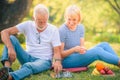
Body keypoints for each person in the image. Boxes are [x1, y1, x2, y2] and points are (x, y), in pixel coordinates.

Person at [0, 4, 62, 80]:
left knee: (29, 66)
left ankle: (10, 76)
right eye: (39, 21)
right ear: (34, 18)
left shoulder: (53, 30)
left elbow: (57, 51)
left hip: (44, 61)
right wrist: (10, 48)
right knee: (11, 38)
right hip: (27, 57)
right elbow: (4, 32)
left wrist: (58, 62)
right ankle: (7, 68)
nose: (42, 23)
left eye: (45, 21)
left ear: (47, 18)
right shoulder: (28, 25)